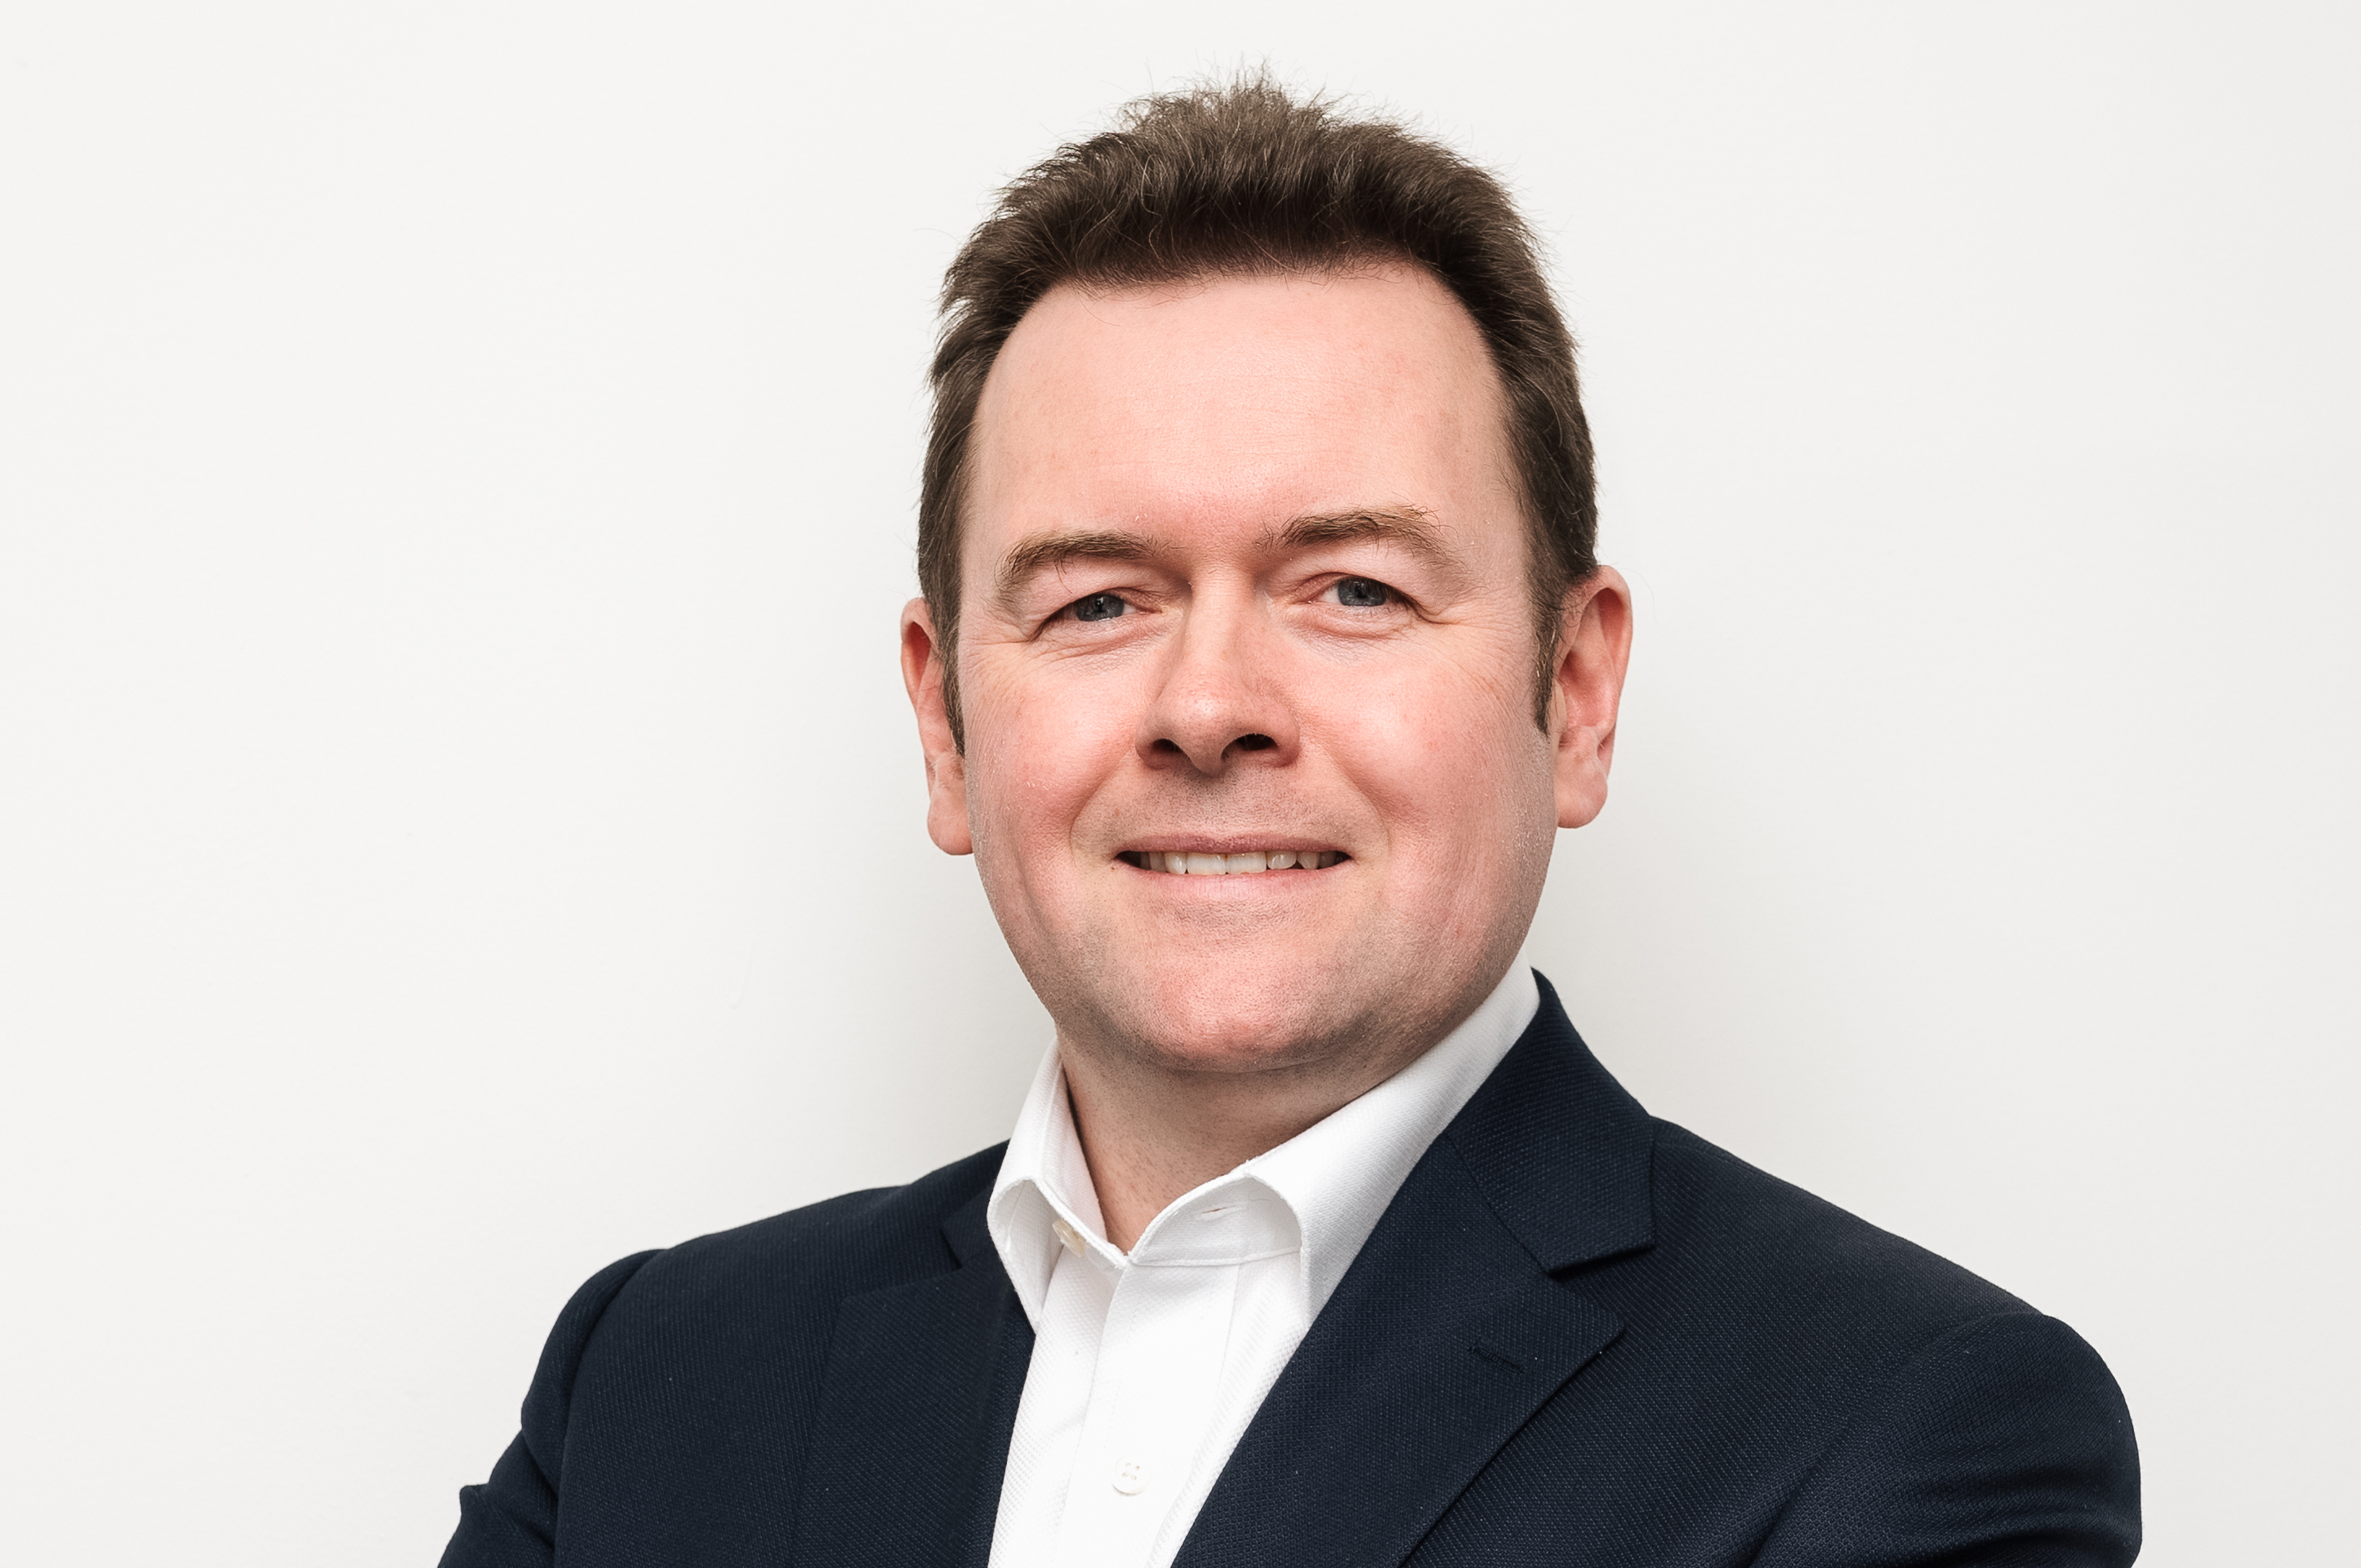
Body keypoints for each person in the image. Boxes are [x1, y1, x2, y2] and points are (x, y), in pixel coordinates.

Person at [441, 78, 2140, 1568]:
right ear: (945, 724)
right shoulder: (653, 1379)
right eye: (1098, 602)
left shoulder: (1905, 1430)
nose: (1209, 706)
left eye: (1353, 588)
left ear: (1574, 694)